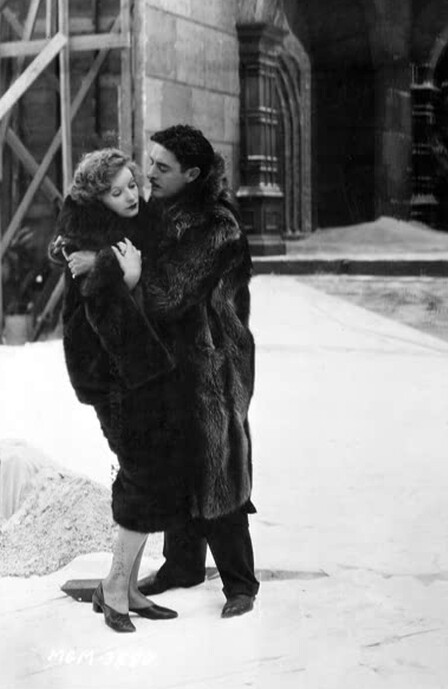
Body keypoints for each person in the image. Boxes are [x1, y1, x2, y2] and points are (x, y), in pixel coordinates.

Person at [50, 148, 182, 633]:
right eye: (116, 191)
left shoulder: (122, 234)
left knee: (142, 473)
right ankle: (114, 588)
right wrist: (122, 276)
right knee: (143, 475)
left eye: (131, 185)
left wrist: (125, 272)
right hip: (114, 376)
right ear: (96, 197)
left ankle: (124, 589)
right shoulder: (89, 246)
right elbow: (106, 320)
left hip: (136, 374)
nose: (130, 196)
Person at [132, 124, 259, 619]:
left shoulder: (216, 228)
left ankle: (241, 584)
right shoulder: (161, 212)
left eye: (162, 167)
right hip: (172, 363)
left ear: (192, 174)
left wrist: (128, 273)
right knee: (174, 463)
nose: (150, 173)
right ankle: (182, 566)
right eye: (151, 162)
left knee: (217, 467)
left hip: (213, 368)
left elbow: (166, 294)